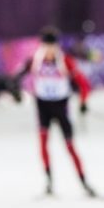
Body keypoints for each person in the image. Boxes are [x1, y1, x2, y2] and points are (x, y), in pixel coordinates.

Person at [12, 26, 95, 197]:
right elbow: (15, 79)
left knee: (70, 146)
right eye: (46, 46)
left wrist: (83, 102)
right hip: (43, 106)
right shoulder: (35, 60)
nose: (49, 50)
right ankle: (49, 182)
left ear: (57, 46)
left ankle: (84, 182)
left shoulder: (64, 60)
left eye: (52, 46)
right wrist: (16, 94)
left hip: (61, 107)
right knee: (43, 144)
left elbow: (83, 83)